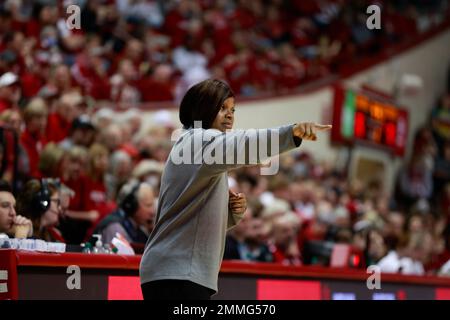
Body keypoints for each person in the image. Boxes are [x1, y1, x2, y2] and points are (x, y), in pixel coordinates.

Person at [139, 79, 331, 300]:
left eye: (232, 109)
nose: (230, 115)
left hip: (175, 270)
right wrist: (291, 134)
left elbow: (190, 219)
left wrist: (228, 214)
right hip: (178, 273)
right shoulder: (199, 140)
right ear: (203, 108)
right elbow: (244, 144)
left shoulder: (196, 147)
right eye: (222, 108)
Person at [94, 180, 156, 245]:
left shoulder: (140, 229)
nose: (153, 212)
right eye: (148, 205)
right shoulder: (115, 228)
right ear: (133, 206)